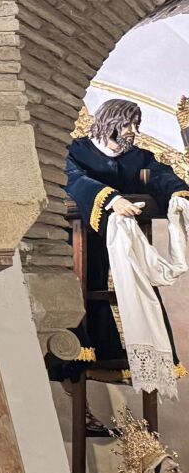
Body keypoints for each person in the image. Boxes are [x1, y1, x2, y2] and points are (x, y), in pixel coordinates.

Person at [65, 98, 189, 383]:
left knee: (140, 292)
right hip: (85, 242)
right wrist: (111, 199)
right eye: (129, 124)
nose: (134, 130)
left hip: (130, 243)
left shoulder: (140, 157)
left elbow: (162, 177)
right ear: (109, 122)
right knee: (89, 297)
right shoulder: (77, 151)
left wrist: (178, 195)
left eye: (137, 124)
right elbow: (73, 178)